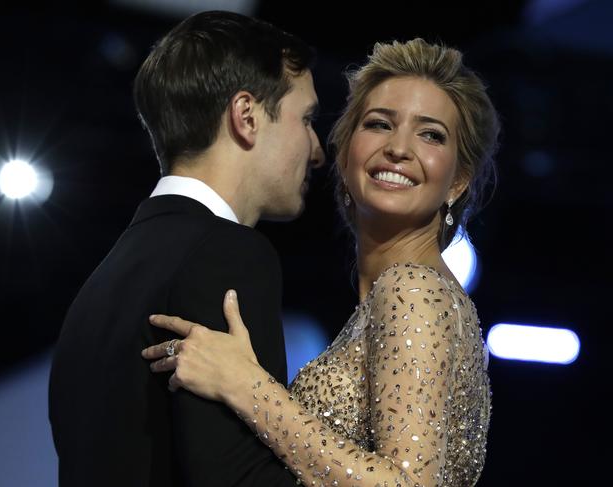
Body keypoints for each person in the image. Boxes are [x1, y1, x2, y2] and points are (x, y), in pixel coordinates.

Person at [142, 38, 500, 486]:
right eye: (379, 124)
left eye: (430, 134)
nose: (399, 148)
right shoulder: (416, 294)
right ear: (345, 157)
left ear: (457, 183)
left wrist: (244, 385)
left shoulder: (414, 292)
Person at [48, 10, 324, 487]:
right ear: (247, 116)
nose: (317, 148)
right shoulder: (228, 254)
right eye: (307, 119)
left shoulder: (95, 291)